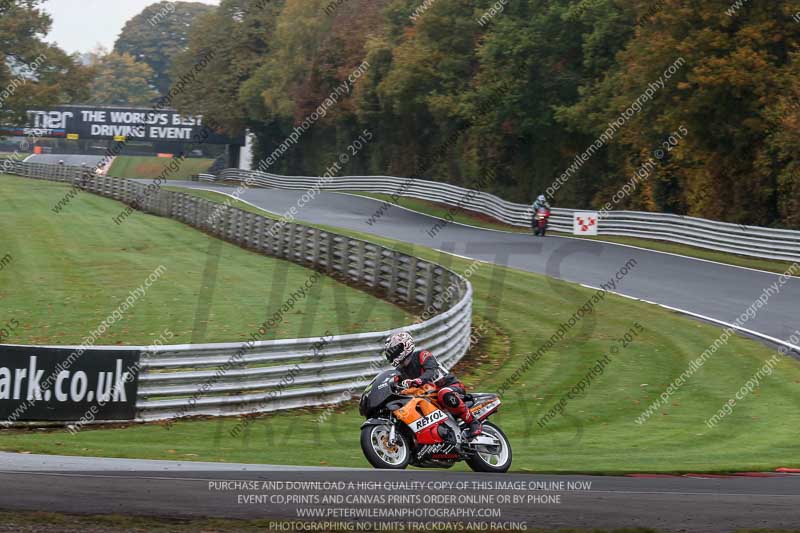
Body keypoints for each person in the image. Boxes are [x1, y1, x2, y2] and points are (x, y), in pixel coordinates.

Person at [383, 331, 482, 439]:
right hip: (428, 396)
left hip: (450, 386)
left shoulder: (422, 355)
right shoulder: (399, 371)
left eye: (395, 349)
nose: (393, 354)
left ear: (406, 345)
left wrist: (419, 380)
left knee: (443, 393)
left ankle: (473, 422)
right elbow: (395, 384)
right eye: (390, 353)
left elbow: (432, 371)